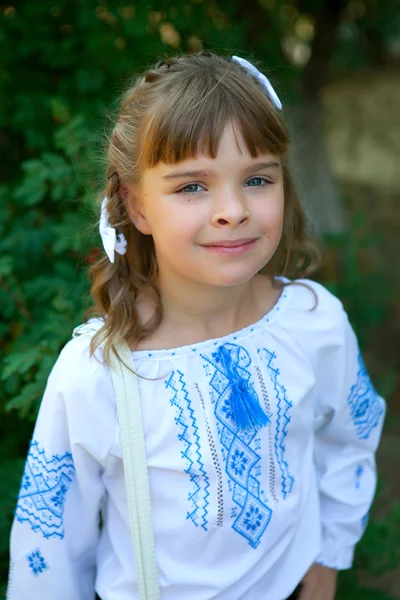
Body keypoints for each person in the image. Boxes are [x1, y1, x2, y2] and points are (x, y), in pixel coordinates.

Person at [7, 51, 385, 600]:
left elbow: (349, 436)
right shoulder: (100, 374)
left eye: (257, 178)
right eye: (191, 187)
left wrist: (328, 557)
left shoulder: (313, 321)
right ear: (136, 208)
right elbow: (50, 544)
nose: (232, 209)